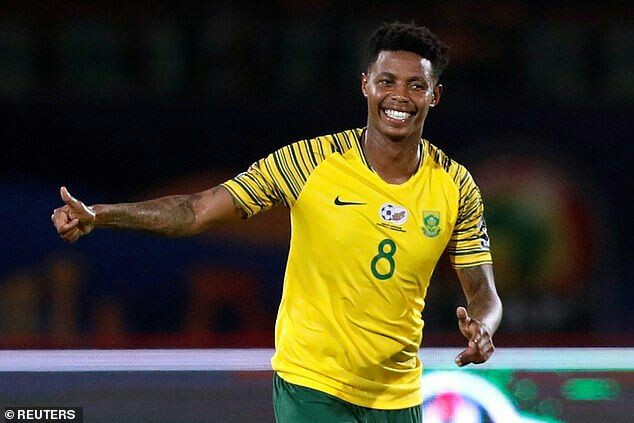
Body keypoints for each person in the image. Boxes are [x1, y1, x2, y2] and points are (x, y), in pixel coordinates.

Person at [52, 21, 502, 422]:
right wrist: (103, 215)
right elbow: (197, 209)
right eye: (387, 81)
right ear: (366, 85)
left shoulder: (455, 186)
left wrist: (484, 326)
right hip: (312, 387)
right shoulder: (309, 162)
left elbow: (483, 291)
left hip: (399, 396)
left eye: (415, 85)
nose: (399, 96)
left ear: (434, 95)